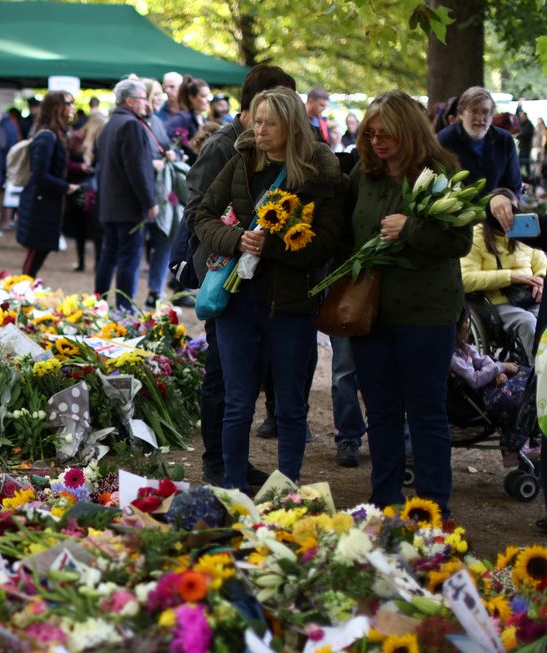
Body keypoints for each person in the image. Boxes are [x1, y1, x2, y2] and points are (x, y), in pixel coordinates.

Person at [190, 88, 343, 492]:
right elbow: (202, 216)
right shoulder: (241, 161)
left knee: (292, 407)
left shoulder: (317, 172)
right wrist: (235, 239)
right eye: (257, 121)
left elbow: (328, 240)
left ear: (291, 125)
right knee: (238, 404)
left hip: (291, 304)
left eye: (269, 123)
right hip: (238, 303)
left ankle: (287, 490)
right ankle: (235, 488)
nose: (259, 130)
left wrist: (275, 246)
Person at [347, 90, 471, 515]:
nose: (378, 142)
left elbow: (460, 239)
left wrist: (410, 229)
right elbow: (347, 234)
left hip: (427, 315)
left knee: (426, 413)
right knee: (380, 412)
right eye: (372, 133)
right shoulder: (364, 176)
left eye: (388, 135)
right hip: (371, 315)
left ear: (410, 132)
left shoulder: (440, 174)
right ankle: (385, 501)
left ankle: (432, 507)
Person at [181, 64, 298, 488]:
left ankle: (234, 460)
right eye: (276, 104)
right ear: (252, 107)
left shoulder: (294, 152)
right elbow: (196, 209)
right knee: (223, 375)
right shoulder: (225, 146)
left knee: (250, 374)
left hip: (266, 280)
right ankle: (218, 461)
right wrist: (236, 237)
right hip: (226, 272)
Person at [94, 80, 157, 311]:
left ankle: (98, 304)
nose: (146, 104)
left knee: (108, 255)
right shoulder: (131, 125)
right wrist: (149, 201)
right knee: (128, 259)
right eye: (143, 99)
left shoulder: (110, 123)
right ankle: (124, 309)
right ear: (130, 101)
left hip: (109, 204)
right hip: (128, 206)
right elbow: (137, 168)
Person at [450, 309, 535, 465]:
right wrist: (500, 367)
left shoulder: (465, 347)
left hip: (490, 383)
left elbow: (483, 360)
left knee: (529, 376)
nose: (468, 329)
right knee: (520, 398)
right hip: (482, 394)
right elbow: (474, 379)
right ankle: (514, 446)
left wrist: (496, 369)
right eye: (465, 327)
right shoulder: (453, 359)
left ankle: (530, 437)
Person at [460, 220, 546, 364]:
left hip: (529, 296)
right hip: (496, 303)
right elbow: (465, 279)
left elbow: (542, 263)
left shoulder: (524, 230)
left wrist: (541, 279)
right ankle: (539, 371)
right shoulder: (477, 236)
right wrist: (510, 277)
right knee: (527, 322)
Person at [438, 87, 521, 235]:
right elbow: (439, 186)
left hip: (498, 223)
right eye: (474, 111)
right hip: (458, 225)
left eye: (486, 112)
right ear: (461, 113)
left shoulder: (504, 141)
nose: (481, 118)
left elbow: (514, 185)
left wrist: (506, 198)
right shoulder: (444, 140)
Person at [16, 91, 78, 278]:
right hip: (40, 203)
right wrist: (66, 187)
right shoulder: (47, 136)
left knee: (39, 252)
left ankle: (25, 291)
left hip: (47, 201)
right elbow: (40, 174)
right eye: (68, 103)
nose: (72, 107)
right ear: (56, 107)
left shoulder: (56, 134)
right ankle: (22, 293)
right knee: (35, 254)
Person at [139, 77, 180, 307]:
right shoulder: (135, 122)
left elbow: (165, 147)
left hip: (162, 194)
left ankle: (155, 290)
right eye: (153, 94)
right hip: (144, 194)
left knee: (164, 241)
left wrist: (171, 155)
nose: (158, 98)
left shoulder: (156, 121)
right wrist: (151, 162)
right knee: (137, 247)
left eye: (158, 95)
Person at [64, 112, 105, 272]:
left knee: (82, 228)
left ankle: (84, 262)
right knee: (93, 228)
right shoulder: (89, 141)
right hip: (86, 188)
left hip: (79, 187)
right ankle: (95, 262)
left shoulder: (78, 139)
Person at [164, 76, 210, 162]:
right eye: (203, 96)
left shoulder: (203, 120)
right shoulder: (183, 118)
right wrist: (178, 155)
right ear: (191, 97)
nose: (207, 100)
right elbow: (162, 134)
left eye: (208, 96)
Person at [517, 109, 535, 180]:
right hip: (522, 146)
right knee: (521, 162)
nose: (521, 118)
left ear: (525, 116)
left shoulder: (529, 125)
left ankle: (529, 177)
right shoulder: (523, 124)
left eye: (522, 117)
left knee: (526, 162)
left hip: (526, 146)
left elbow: (524, 134)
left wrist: (518, 135)